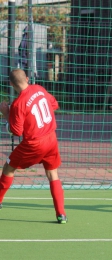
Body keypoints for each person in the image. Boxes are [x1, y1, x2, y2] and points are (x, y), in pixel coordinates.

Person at [0, 69, 67, 224]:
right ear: (28, 79)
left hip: (33, 144)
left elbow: (16, 131)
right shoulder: (39, 88)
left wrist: (6, 114)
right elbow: (54, 104)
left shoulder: (18, 104)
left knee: (8, 168)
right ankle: (61, 214)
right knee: (52, 174)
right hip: (51, 139)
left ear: (11, 84)